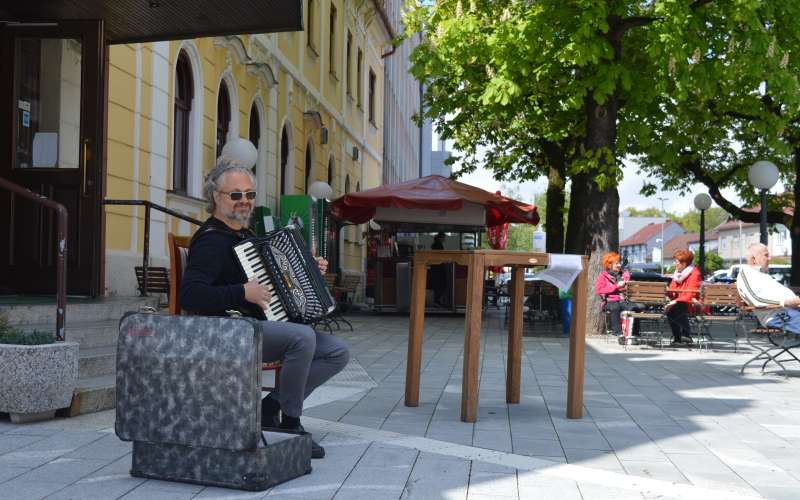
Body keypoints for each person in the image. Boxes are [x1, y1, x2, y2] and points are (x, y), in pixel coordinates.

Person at [180, 157, 349, 459]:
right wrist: (242, 292)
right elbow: (191, 295)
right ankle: (291, 422)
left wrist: (310, 270)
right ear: (216, 197)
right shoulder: (211, 240)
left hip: (253, 326)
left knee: (336, 351)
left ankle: (270, 407)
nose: (244, 201)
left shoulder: (245, 235)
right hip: (225, 331)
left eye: (249, 194)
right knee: (302, 338)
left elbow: (277, 282)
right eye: (235, 195)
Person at [737, 242, 800, 333]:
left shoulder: (762, 275)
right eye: (766, 255)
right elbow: (756, 298)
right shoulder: (747, 274)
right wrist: (786, 302)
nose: (769, 258)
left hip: (789, 310)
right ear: (753, 259)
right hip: (778, 315)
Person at [665, 249, 702, 345]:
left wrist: (675, 301)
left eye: (676, 262)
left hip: (693, 304)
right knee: (672, 307)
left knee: (677, 306)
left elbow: (691, 294)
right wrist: (667, 292)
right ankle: (678, 338)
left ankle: (685, 335)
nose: (674, 264)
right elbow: (672, 291)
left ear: (684, 263)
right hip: (680, 303)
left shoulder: (695, 273)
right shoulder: (677, 274)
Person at [594, 251, 635, 337]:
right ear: (609, 265)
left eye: (619, 263)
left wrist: (626, 282)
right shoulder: (603, 276)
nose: (619, 265)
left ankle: (633, 333)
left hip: (623, 300)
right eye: (617, 263)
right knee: (615, 307)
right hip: (609, 302)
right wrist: (616, 286)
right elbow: (599, 290)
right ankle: (618, 333)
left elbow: (630, 288)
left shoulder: (624, 275)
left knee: (635, 307)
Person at [430, 232, 448, 307]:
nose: (444, 239)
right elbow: (441, 256)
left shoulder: (434, 245)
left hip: (435, 267)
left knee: (437, 285)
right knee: (441, 284)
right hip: (438, 268)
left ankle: (437, 300)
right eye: (443, 238)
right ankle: (437, 301)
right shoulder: (438, 245)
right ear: (440, 238)